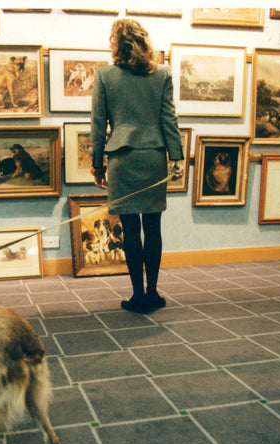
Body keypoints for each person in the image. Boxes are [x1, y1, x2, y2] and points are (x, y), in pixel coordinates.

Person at [91, 18, 185, 313]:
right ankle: (153, 293)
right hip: (153, 157)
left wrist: (97, 164)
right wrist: (177, 156)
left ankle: (137, 296)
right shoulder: (162, 74)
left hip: (122, 159)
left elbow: (98, 124)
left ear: (117, 43)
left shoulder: (104, 75)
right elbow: (169, 118)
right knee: (153, 227)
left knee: (130, 229)